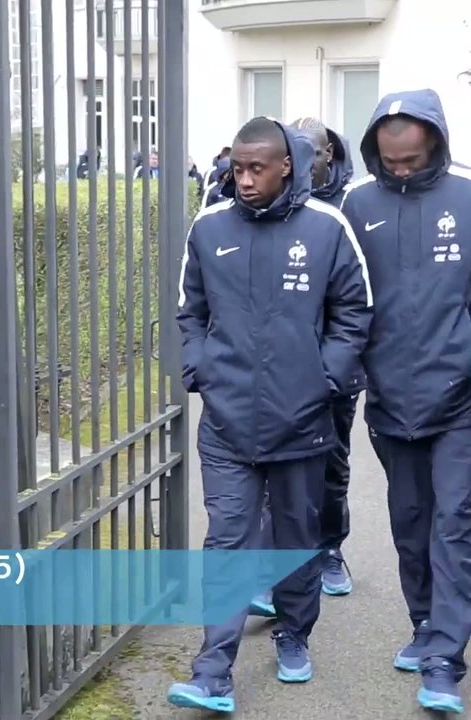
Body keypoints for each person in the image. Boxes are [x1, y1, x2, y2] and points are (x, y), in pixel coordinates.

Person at [166, 116, 373, 713]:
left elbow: (354, 313)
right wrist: (199, 370)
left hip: (303, 423)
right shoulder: (209, 228)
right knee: (227, 542)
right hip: (227, 424)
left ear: (290, 166)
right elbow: (189, 311)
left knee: (296, 539)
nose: (246, 180)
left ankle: (293, 632)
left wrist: (324, 380)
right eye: (238, 169)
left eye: (258, 169)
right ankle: (212, 670)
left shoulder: (327, 228)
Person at [337, 88, 471, 713]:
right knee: (410, 519)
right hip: (389, 399)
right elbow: (342, 297)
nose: (400, 169)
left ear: (434, 140)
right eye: (389, 159)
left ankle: (445, 659)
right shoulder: (357, 202)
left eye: (410, 158)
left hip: (461, 397)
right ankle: (423, 622)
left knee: (451, 518)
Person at [244, 115, 361, 620]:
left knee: (329, 471)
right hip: (273, 372)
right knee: (275, 474)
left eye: (313, 151)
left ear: (328, 154)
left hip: (331, 370)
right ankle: (275, 571)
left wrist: (331, 370)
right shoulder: (267, 205)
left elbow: (358, 299)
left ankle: (330, 548)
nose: (306, 160)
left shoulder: (348, 207)